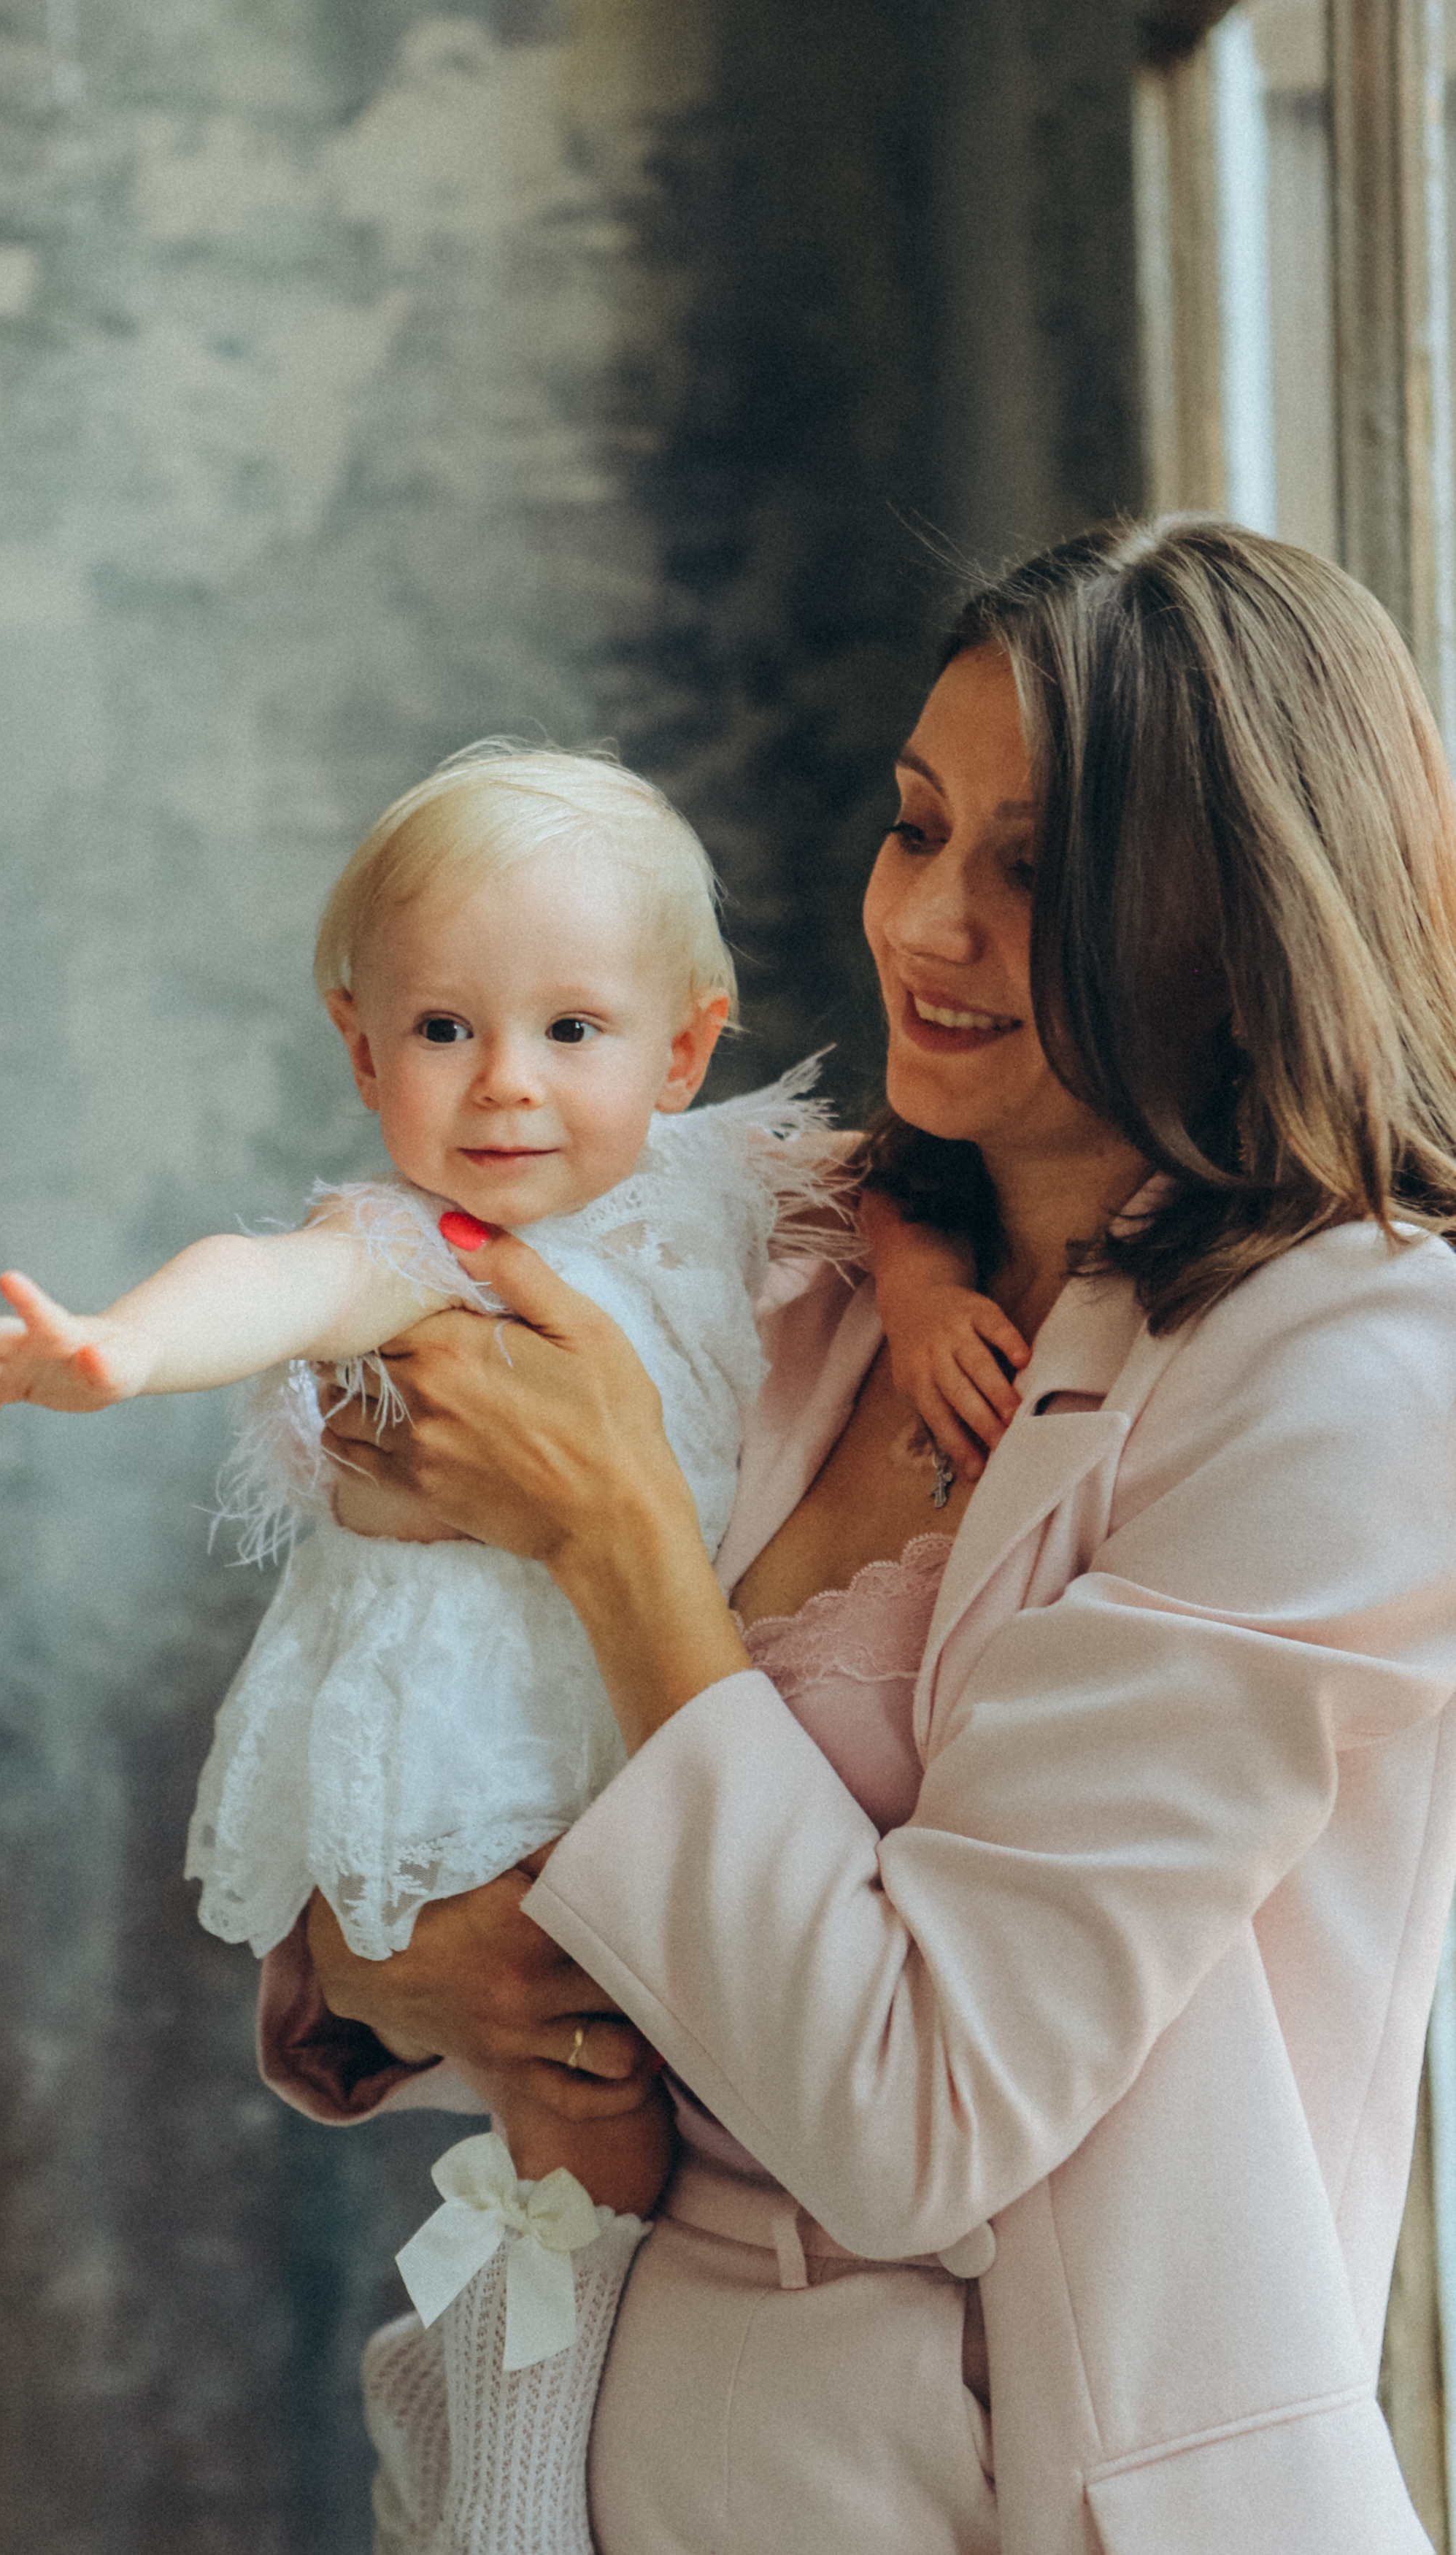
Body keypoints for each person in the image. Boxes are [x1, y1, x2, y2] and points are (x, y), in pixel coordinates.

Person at [276, 518, 1456, 2555]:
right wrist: (401, 1968)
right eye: (913, 829)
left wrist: (624, 1538)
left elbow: (919, 2115)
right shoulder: (783, 1241)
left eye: (1033, 869)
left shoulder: (1346, 1364)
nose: (925, 922)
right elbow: (430, 1715)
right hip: (530, 2457)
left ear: (1231, 915)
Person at [0, 741, 1009, 2555]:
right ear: (364, 1052)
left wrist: (918, 1292)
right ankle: (504, 2491)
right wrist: (115, 1345)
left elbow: (888, 1187)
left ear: (682, 1047)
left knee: (668, 2106)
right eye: (444, 1032)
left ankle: (496, 2413)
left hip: (656, 1735)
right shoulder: (411, 1241)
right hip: (482, 1746)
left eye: (572, 1031)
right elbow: (265, 1280)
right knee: (584, 2129)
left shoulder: (724, 1180)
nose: (507, 1085)